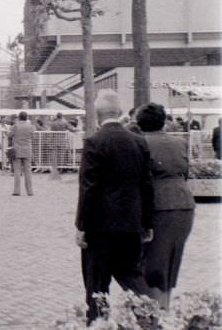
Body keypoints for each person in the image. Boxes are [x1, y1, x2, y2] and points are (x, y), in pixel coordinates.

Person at [75, 90, 154, 323]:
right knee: (133, 277)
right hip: (131, 225)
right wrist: (147, 223)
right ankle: (152, 320)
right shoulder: (139, 142)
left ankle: (98, 324)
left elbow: (88, 189)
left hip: (99, 229)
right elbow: (146, 185)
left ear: (97, 114)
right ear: (119, 112)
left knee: (97, 285)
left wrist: (81, 226)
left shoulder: (93, 143)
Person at [136, 103, 195, 310]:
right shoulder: (179, 142)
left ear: (139, 122)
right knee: (171, 261)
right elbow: (185, 172)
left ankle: (155, 314)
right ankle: (165, 309)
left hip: (158, 207)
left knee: (152, 263)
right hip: (184, 204)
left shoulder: (140, 143)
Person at [8, 111, 34, 196]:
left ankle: (17, 191)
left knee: (17, 171)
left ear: (19, 117)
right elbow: (33, 137)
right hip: (27, 150)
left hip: (17, 150)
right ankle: (30, 191)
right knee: (28, 171)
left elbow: (10, 135)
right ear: (27, 117)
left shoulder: (15, 126)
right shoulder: (31, 126)